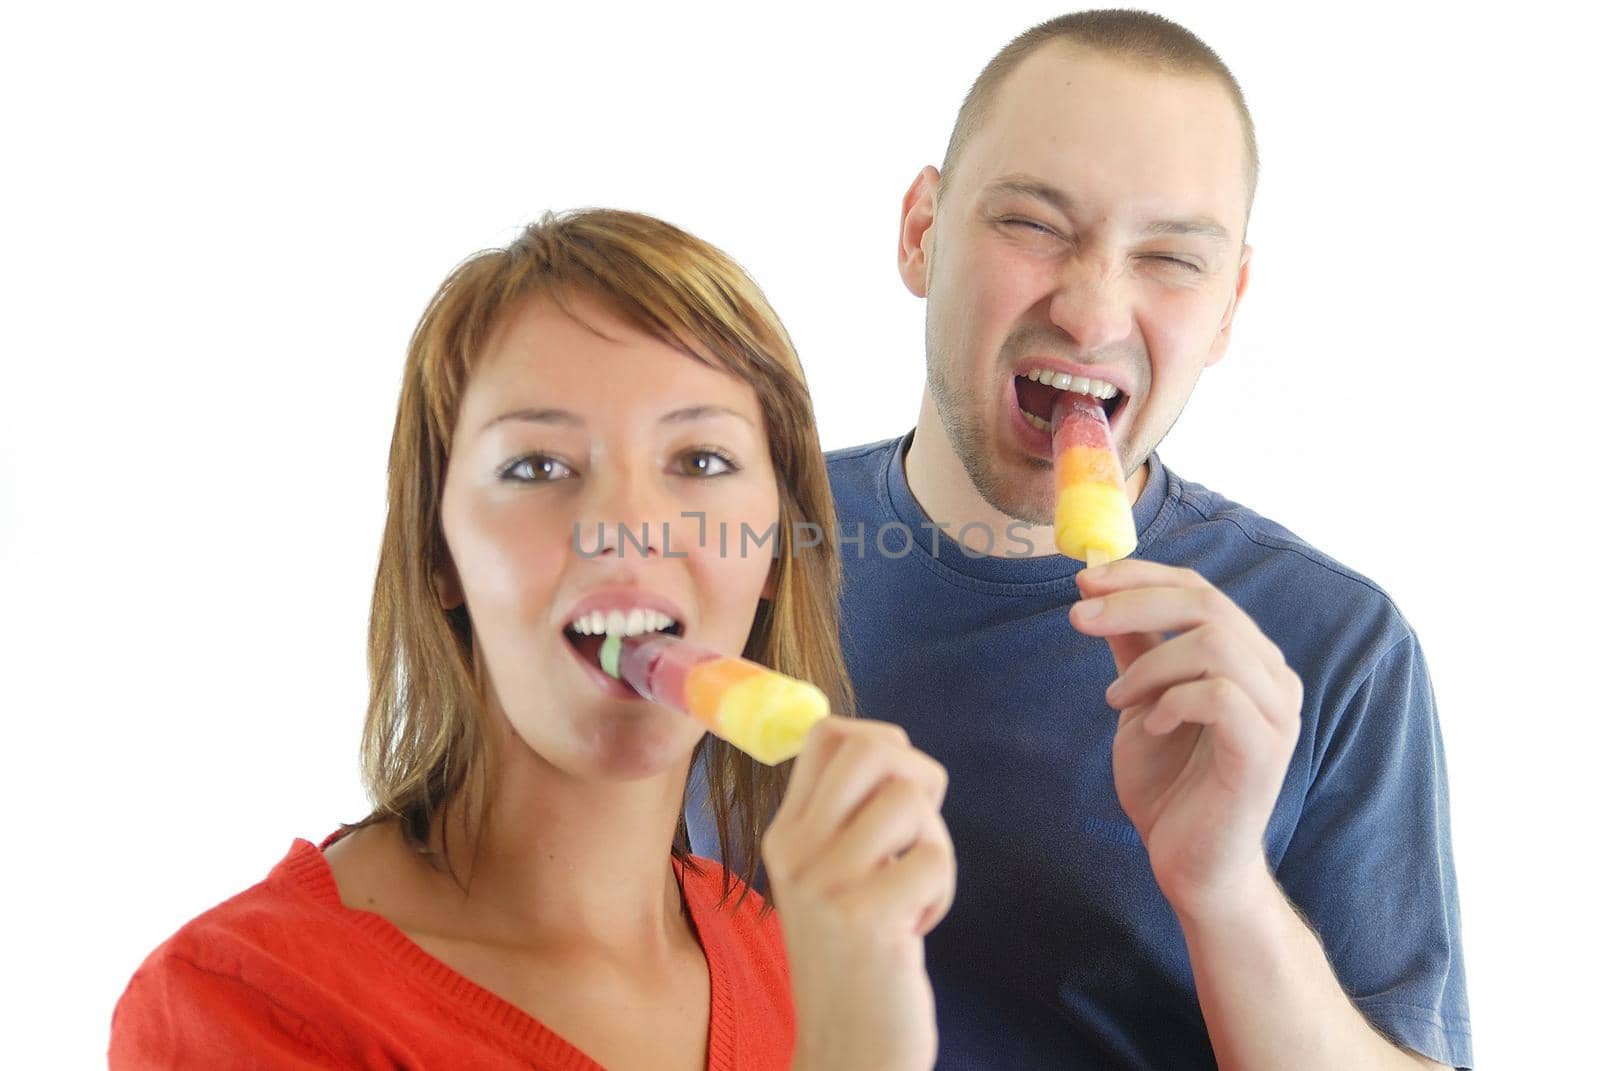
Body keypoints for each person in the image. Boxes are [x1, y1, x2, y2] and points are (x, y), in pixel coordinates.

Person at [686, 10, 1470, 1069]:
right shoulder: (725, 551)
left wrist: (1225, 886)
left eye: (1169, 258)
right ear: (921, 231)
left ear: (1229, 305)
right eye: (1034, 225)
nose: (1093, 309)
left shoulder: (1334, 646)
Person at [109, 209, 956, 1071]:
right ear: (438, 554)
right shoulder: (239, 1004)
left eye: (700, 460)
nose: (628, 526)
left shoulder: (794, 960)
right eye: (537, 466)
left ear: (775, 547)